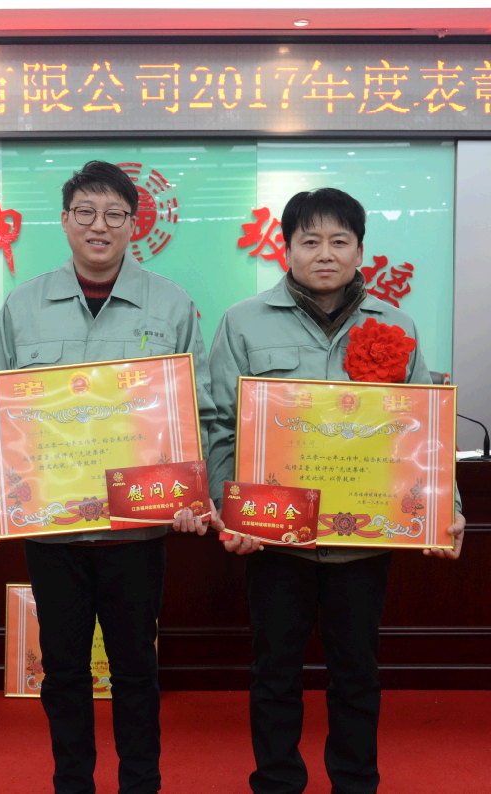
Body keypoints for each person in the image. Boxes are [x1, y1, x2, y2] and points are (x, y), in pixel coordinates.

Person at [0, 160, 216, 794]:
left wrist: (196, 492)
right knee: (65, 671)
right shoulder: (24, 305)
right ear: (65, 221)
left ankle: (140, 784)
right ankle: (71, 783)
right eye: (86, 213)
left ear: (134, 224)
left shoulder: (170, 304)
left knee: (136, 671)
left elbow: (202, 412)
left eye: (114, 214)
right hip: (54, 532)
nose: (100, 226)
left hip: (138, 532)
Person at [207, 187, 465, 794]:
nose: (325, 253)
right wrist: (230, 511)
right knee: (274, 672)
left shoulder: (395, 324)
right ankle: (277, 781)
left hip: (362, 540)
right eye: (310, 241)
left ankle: (355, 782)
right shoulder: (243, 322)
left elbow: (425, 431)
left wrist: (445, 509)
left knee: (356, 673)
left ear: (360, 251)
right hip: (276, 537)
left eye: (339, 241)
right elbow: (219, 424)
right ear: (287, 249)